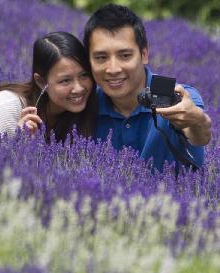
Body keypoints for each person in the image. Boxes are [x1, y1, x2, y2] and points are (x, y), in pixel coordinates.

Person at [83, 4, 212, 172]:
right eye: (101, 57)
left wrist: (198, 121)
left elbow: (199, 135)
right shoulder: (84, 105)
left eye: (125, 56)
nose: (113, 69)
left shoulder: (177, 96)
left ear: (144, 54)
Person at [0, 32, 97, 143]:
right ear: (41, 82)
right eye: (65, 81)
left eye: (84, 75)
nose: (79, 88)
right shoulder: (7, 108)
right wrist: (17, 143)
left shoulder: (81, 112)